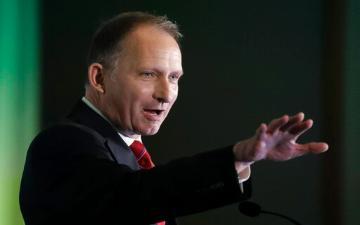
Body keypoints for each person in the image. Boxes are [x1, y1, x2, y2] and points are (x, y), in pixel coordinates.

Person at [19, 11, 329, 225]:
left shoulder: (127, 149)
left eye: (175, 77)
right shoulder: (62, 144)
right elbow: (135, 196)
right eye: (148, 74)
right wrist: (233, 157)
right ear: (99, 78)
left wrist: (243, 164)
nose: (166, 94)